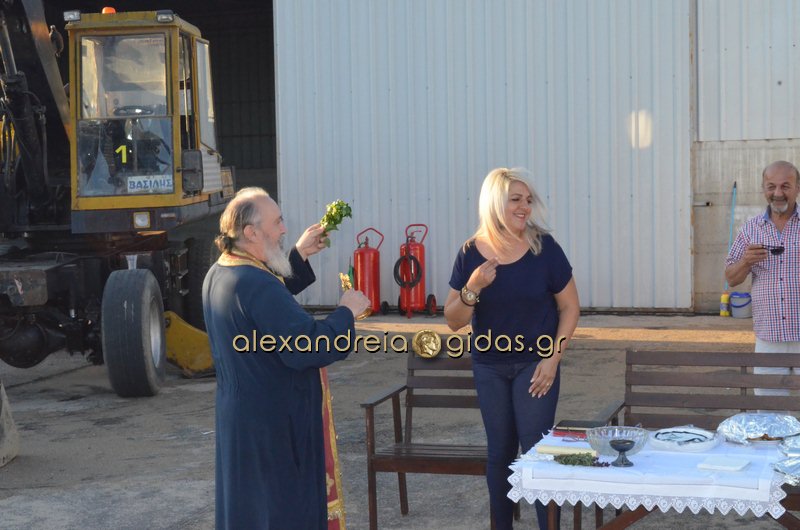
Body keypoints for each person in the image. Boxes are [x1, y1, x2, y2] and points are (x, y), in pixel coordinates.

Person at [202, 187, 370, 529]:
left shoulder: (221, 271)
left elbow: (266, 304)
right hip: (275, 429)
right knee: (282, 512)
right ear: (251, 232)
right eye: (277, 222)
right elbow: (309, 345)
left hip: (244, 423)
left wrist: (298, 254)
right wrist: (346, 312)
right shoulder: (255, 284)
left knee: (249, 512)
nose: (284, 229)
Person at [444, 168, 580, 530]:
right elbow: (453, 320)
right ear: (494, 203)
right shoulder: (470, 253)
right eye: (515, 200)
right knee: (500, 453)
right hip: (489, 367)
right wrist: (473, 287)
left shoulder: (544, 249)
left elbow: (570, 308)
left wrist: (553, 358)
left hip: (535, 365)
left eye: (528, 200)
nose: (525, 207)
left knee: (536, 453)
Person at [725, 160, 800, 396]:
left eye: (785, 186)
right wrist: (746, 262)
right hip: (769, 337)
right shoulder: (751, 229)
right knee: (769, 410)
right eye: (771, 186)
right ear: (763, 189)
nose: (778, 193)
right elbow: (731, 278)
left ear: (798, 188)